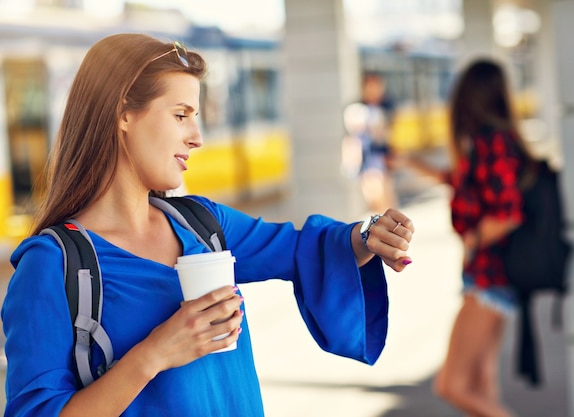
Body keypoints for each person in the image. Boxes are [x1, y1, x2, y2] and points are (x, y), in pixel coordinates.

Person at [1, 34, 415, 417]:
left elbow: (305, 248)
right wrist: (155, 354)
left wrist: (368, 235)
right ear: (123, 113)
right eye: (180, 114)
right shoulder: (52, 265)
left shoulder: (202, 224)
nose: (197, 137)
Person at [399, 58, 534, 417]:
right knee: (480, 383)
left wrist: (472, 240)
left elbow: (508, 213)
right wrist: (414, 164)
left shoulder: (492, 142)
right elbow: (463, 181)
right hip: (491, 276)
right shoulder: (490, 142)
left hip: (489, 277)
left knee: (451, 385)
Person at [342, 72, 398, 213]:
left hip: (382, 158)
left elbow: (388, 135)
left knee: (386, 197)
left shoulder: (387, 106)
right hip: (367, 158)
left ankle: (390, 229)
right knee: (374, 198)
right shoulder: (357, 109)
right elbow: (352, 138)